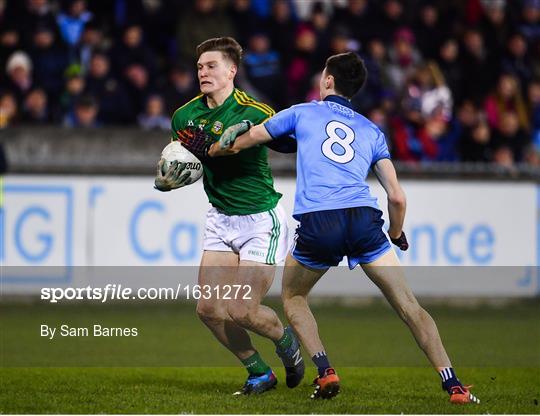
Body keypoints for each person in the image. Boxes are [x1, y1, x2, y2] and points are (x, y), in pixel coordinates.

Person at [209, 52, 480, 405]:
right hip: (364, 219)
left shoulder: (303, 111)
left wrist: (220, 145)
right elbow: (397, 197)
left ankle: (325, 370)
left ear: (328, 81)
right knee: (410, 306)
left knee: (293, 297)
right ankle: (454, 385)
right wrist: (396, 234)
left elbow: (248, 138)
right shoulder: (371, 129)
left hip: (321, 220)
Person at [153, 37, 304, 395]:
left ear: (232, 70)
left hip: (259, 220)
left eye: (211, 66)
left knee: (241, 309)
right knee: (208, 308)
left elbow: (292, 142)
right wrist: (168, 179)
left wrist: (251, 137)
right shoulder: (185, 116)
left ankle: (287, 342)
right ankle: (259, 373)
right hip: (221, 219)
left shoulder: (254, 111)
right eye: (200, 67)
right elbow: (186, 161)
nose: (203, 72)